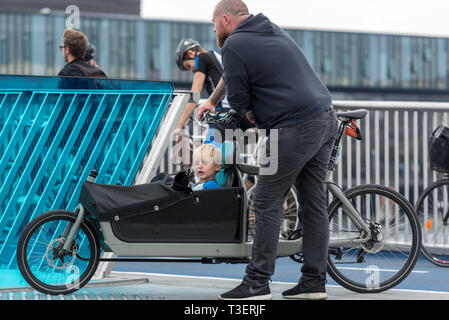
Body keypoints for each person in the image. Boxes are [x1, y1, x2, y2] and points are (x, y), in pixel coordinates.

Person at [198, 0, 338, 300]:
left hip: (294, 125)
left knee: (265, 199)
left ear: (225, 20)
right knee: (313, 203)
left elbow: (238, 100)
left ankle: (257, 283)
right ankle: (314, 282)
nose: (212, 28)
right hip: (324, 117)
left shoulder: (233, 43)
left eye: (213, 22)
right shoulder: (270, 30)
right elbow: (230, 75)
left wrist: (241, 114)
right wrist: (212, 99)